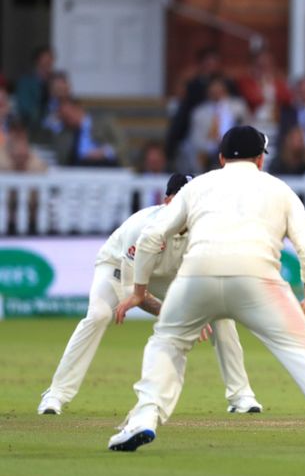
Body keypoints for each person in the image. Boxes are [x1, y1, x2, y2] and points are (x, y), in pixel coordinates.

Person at [107, 126, 305, 453]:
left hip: (197, 274)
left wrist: (140, 291)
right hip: (258, 279)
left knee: (166, 343)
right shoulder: (279, 189)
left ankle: (143, 419)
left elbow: (150, 237)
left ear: (221, 158)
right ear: (260, 160)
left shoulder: (199, 185)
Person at [37, 173, 262, 416]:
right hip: (118, 268)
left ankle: (241, 396)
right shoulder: (143, 228)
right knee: (99, 314)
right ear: (167, 201)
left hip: (168, 275)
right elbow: (130, 291)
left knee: (221, 314)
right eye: (182, 200)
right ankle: (55, 395)